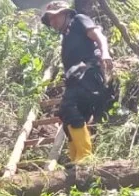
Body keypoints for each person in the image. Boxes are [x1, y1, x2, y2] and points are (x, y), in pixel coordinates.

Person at [41, 1, 112, 164]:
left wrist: (105, 53)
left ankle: (85, 157)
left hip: (89, 74)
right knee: (67, 119)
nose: (52, 22)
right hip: (76, 80)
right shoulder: (66, 36)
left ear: (65, 13)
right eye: (49, 20)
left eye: (54, 17)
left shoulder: (79, 20)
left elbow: (99, 36)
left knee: (69, 107)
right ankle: (76, 158)